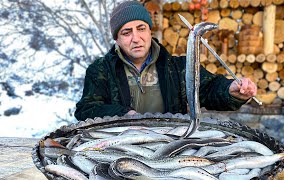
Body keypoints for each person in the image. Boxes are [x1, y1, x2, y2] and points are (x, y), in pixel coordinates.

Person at [74, 1, 257, 121]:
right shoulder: (100, 70)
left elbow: (209, 89)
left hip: (172, 143)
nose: (136, 38)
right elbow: (87, 110)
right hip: (123, 147)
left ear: (150, 31)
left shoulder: (177, 68)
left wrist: (230, 90)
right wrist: (124, 114)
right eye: (126, 32)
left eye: (141, 28)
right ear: (117, 39)